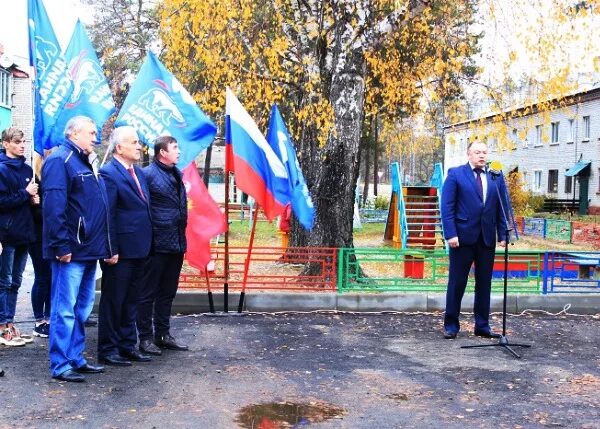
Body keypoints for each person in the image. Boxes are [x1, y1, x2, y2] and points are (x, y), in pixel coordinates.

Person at [43, 116, 115, 382]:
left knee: (82, 309)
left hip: (88, 249)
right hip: (70, 250)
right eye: (91, 133)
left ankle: (76, 357)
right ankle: (61, 364)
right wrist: (61, 245)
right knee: (64, 308)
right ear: (74, 134)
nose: (95, 138)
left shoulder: (84, 161)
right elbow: (53, 207)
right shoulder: (59, 161)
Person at [97, 126, 153, 366]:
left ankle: (127, 345)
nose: (139, 146)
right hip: (120, 251)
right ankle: (108, 349)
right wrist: (111, 248)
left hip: (140, 247)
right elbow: (107, 214)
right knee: (114, 300)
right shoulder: (108, 174)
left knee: (132, 299)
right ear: (119, 147)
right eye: (134, 142)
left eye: (139, 142)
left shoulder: (138, 174)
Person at [440, 141, 507, 340]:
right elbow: (447, 207)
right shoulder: (456, 174)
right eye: (477, 152)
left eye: (484, 152)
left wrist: (502, 234)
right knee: (457, 282)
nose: (482, 156)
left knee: (484, 283)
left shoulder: (495, 177)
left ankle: (482, 325)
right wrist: (450, 234)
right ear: (468, 154)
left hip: (486, 239)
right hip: (461, 238)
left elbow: (501, 206)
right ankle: (451, 325)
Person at [137, 136, 188, 355]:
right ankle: (145, 338)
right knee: (148, 293)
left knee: (168, 292)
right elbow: (142, 207)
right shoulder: (148, 174)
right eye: (175, 148)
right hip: (156, 244)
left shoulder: (177, 173)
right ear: (162, 153)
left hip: (176, 242)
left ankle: (163, 334)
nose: (179, 151)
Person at [0, 127, 38, 347]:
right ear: (6, 143)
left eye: (23, 141)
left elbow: (25, 202)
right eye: (17, 142)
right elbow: (2, 202)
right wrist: (26, 194)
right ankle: (2, 326)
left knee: (15, 282)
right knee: (4, 282)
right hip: (7, 233)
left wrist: (33, 201)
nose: (22, 145)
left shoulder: (26, 169)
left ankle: (10, 323)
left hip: (24, 233)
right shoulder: (3, 170)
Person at [29, 170, 52, 338]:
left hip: (50, 235)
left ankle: (49, 318)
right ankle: (39, 320)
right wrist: (35, 203)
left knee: (51, 277)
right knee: (42, 277)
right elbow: (36, 214)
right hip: (37, 236)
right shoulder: (33, 178)